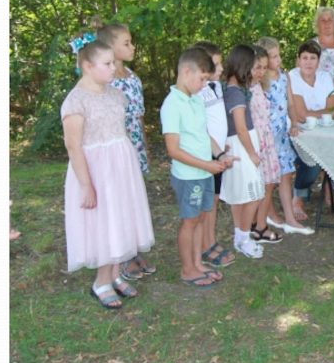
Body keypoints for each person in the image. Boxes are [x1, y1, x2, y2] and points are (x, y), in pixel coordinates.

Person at [61, 31, 155, 308]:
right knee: (104, 221)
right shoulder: (76, 101)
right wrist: (86, 185)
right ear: (88, 67)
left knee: (120, 217)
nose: (114, 68)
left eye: (114, 62)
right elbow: (73, 146)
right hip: (96, 171)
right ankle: (101, 281)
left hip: (120, 167)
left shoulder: (116, 95)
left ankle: (114, 274)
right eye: (107, 64)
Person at [161, 48, 235, 288]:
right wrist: (207, 165)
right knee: (190, 221)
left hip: (204, 172)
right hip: (189, 176)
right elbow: (173, 150)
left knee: (201, 217)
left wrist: (220, 156)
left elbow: (204, 135)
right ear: (186, 72)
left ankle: (197, 264)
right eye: (202, 79)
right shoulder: (172, 104)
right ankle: (187, 269)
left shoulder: (195, 99)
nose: (205, 84)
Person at [92, 16, 156, 281]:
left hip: (134, 146)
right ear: (110, 48)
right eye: (127, 43)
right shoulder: (104, 83)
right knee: (117, 201)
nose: (132, 47)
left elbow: (138, 116)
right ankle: (120, 257)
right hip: (114, 148)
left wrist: (145, 147)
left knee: (133, 198)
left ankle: (133, 248)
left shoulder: (132, 77)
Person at [256, 37, 313, 235]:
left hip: (281, 136)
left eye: (279, 55)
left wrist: (294, 123)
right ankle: (270, 214)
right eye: (273, 57)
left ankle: (290, 218)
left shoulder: (284, 76)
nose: (278, 60)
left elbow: (290, 103)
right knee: (268, 180)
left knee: (286, 175)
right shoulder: (260, 81)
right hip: (266, 138)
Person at [220, 45, 267, 259]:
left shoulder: (234, 91)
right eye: (252, 67)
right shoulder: (235, 94)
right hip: (241, 147)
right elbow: (240, 128)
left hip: (242, 145)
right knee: (254, 194)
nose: (254, 72)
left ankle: (240, 237)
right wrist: (252, 154)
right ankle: (244, 237)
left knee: (243, 195)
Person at [192, 41, 235, 268]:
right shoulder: (196, 92)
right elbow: (201, 127)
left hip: (218, 153)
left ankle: (210, 240)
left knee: (215, 199)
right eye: (216, 65)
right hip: (205, 155)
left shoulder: (216, 86)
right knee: (206, 202)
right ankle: (203, 246)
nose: (221, 69)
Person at [288, 40, 334, 212]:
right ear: (298, 60)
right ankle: (298, 195)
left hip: (324, 131)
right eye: (304, 58)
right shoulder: (292, 77)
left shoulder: (325, 77)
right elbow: (301, 116)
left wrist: (313, 113)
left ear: (318, 61)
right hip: (298, 132)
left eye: (312, 58)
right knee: (313, 162)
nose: (308, 62)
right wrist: (324, 113)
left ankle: (327, 184)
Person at [248, 45, 284, 244]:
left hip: (266, 139)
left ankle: (257, 222)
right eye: (257, 67)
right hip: (257, 141)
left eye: (263, 67)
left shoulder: (259, 86)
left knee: (268, 183)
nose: (260, 71)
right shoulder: (246, 90)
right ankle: (260, 227)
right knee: (264, 185)